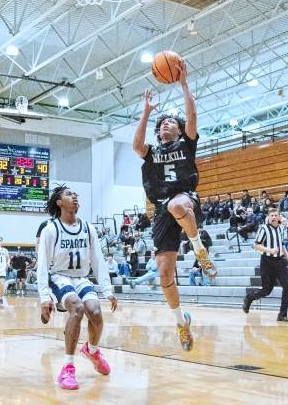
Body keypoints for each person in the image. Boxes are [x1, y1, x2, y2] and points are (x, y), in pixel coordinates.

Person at [133, 61, 216, 351]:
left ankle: (199, 249)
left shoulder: (187, 143)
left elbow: (192, 117)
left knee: (177, 205)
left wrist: (183, 85)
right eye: (162, 124)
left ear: (180, 131)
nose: (165, 124)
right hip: (160, 210)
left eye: (171, 122)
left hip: (184, 199)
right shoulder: (152, 152)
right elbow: (136, 145)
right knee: (165, 274)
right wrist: (146, 113)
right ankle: (182, 323)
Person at [37, 185, 117, 390]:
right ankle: (68, 368)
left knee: (96, 312)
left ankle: (92, 350)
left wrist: (107, 290)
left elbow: (98, 260)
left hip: (81, 278)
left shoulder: (88, 228)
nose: (74, 197)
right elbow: (43, 265)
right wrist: (44, 297)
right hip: (59, 277)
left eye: (75, 194)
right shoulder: (50, 229)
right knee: (77, 308)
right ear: (59, 202)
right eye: (68, 194)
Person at [242, 209, 288, 321]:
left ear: (279, 217)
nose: (274, 217)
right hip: (267, 261)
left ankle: (282, 314)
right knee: (267, 290)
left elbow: (282, 244)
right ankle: (249, 298)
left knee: (287, 286)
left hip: (280, 261)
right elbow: (256, 245)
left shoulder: (281, 228)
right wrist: (269, 250)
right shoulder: (264, 228)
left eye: (276, 215)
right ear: (269, 217)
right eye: (272, 216)